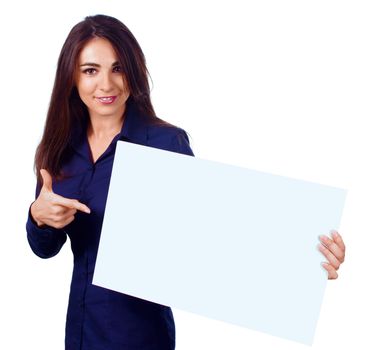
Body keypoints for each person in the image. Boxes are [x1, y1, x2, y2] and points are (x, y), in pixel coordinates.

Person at [26, 14, 346, 350]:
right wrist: (39, 217)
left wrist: (304, 264)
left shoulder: (164, 144)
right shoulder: (59, 151)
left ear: (134, 73)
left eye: (118, 68)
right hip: (80, 334)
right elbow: (44, 249)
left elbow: (214, 236)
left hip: (142, 338)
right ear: (71, 77)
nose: (106, 84)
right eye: (91, 70)